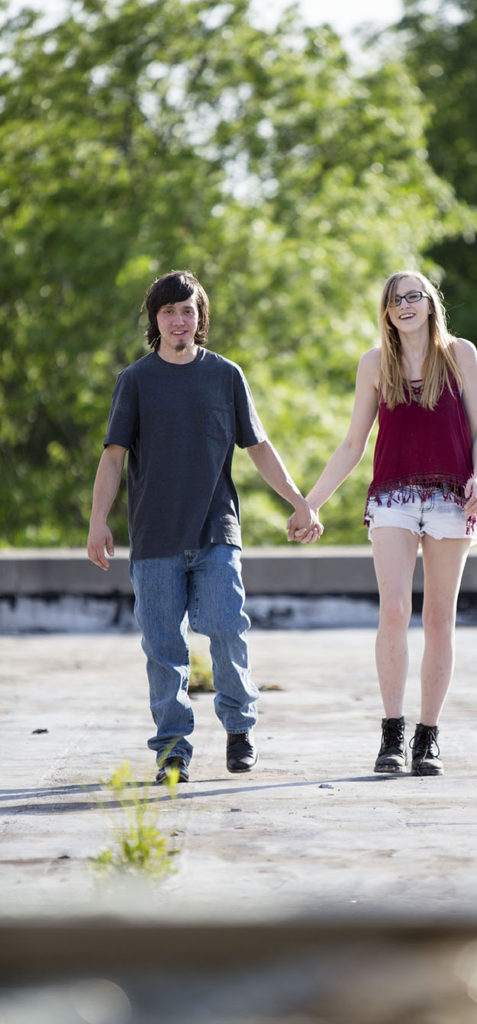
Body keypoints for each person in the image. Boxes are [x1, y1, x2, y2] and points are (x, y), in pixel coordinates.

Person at [87, 270, 321, 784]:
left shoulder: (225, 375)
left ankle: (240, 730)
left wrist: (301, 502)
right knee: (163, 647)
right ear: (155, 319)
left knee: (225, 627)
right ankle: (172, 749)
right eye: (168, 311)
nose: (178, 320)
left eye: (187, 310)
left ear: (200, 317)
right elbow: (112, 456)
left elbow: (258, 447)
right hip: (154, 537)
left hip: (216, 528)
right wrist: (97, 521)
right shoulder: (136, 381)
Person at [289, 270, 477, 777]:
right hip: (393, 499)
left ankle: (429, 737)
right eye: (394, 299)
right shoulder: (375, 364)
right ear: (386, 311)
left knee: (440, 620)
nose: (404, 305)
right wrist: (309, 502)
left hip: (451, 499)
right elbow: (353, 445)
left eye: (413, 296)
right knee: (395, 610)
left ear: (429, 304)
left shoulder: (461, 354)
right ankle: (392, 734)